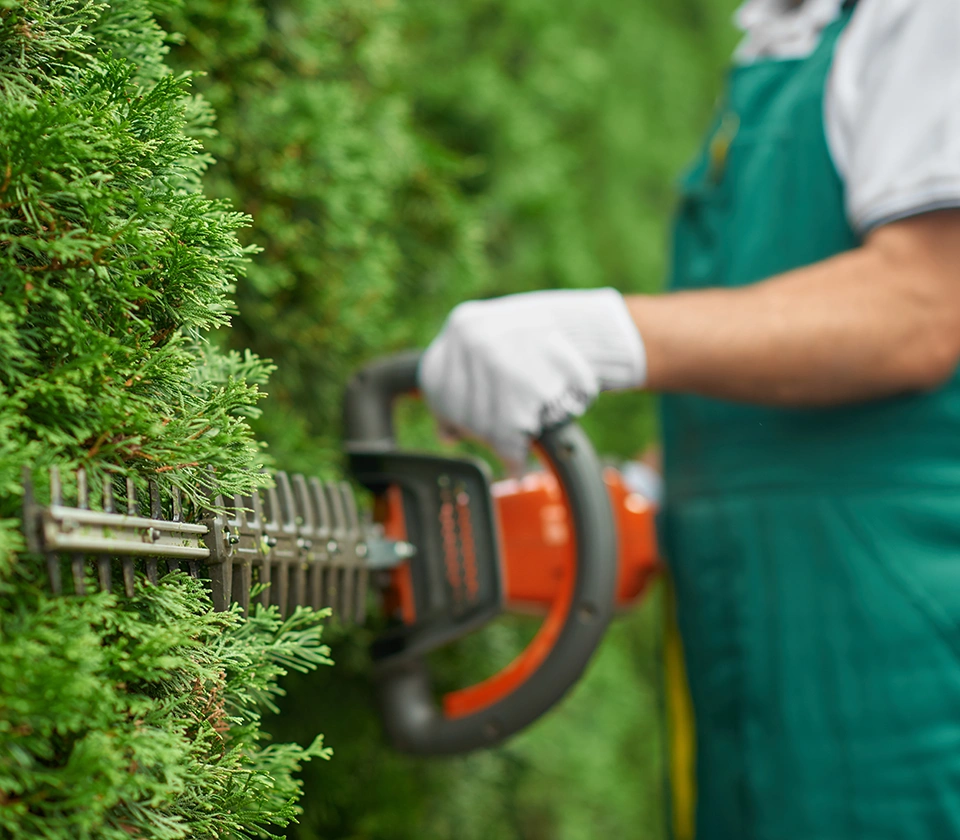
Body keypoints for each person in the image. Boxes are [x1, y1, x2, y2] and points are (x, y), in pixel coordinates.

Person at [417, 0, 960, 837]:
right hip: (751, 634)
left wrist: (600, 332)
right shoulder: (791, 41)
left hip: (901, 630)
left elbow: (925, 304)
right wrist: (637, 495)